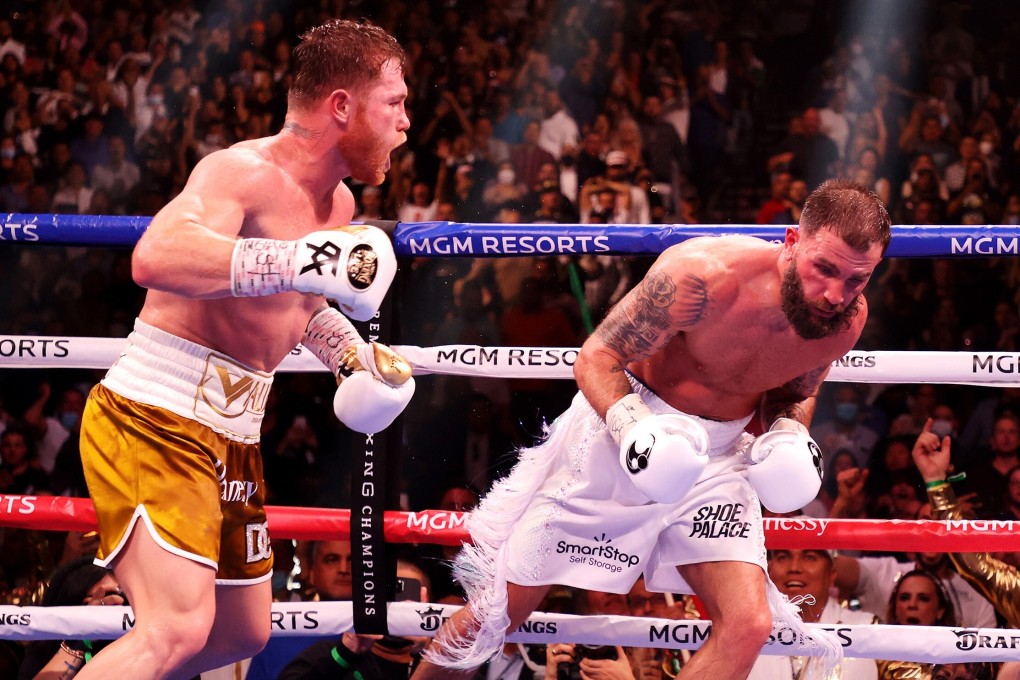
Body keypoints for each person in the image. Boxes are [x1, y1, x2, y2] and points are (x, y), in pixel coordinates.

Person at [411, 178, 892, 680]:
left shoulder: (845, 320)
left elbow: (796, 389)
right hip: (625, 435)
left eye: (857, 280)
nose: (835, 294)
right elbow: (597, 356)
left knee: (748, 625)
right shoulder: (703, 276)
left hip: (720, 459)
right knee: (498, 613)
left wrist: (788, 434)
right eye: (825, 269)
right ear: (793, 241)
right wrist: (633, 428)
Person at [76, 19, 414, 680]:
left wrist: (352, 357)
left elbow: (300, 303)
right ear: (342, 106)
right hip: (156, 414)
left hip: (233, 432)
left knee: (240, 632)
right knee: (175, 629)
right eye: (395, 103)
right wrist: (297, 259)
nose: (406, 124)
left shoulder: (339, 202)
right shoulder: (242, 171)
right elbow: (156, 255)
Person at [747, 548, 878, 680]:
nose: (794, 567)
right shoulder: (748, 629)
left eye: (810, 557)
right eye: (782, 557)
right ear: (769, 570)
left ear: (832, 573)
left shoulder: (867, 628)